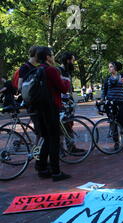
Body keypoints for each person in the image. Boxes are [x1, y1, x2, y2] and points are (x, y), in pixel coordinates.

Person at [34, 46, 71, 181]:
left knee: (47, 138)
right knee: (54, 139)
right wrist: (66, 81)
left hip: (39, 108)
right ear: (48, 57)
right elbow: (63, 89)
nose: (53, 57)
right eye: (52, 55)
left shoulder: (38, 69)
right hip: (51, 107)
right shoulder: (51, 70)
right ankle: (56, 172)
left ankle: (42, 168)